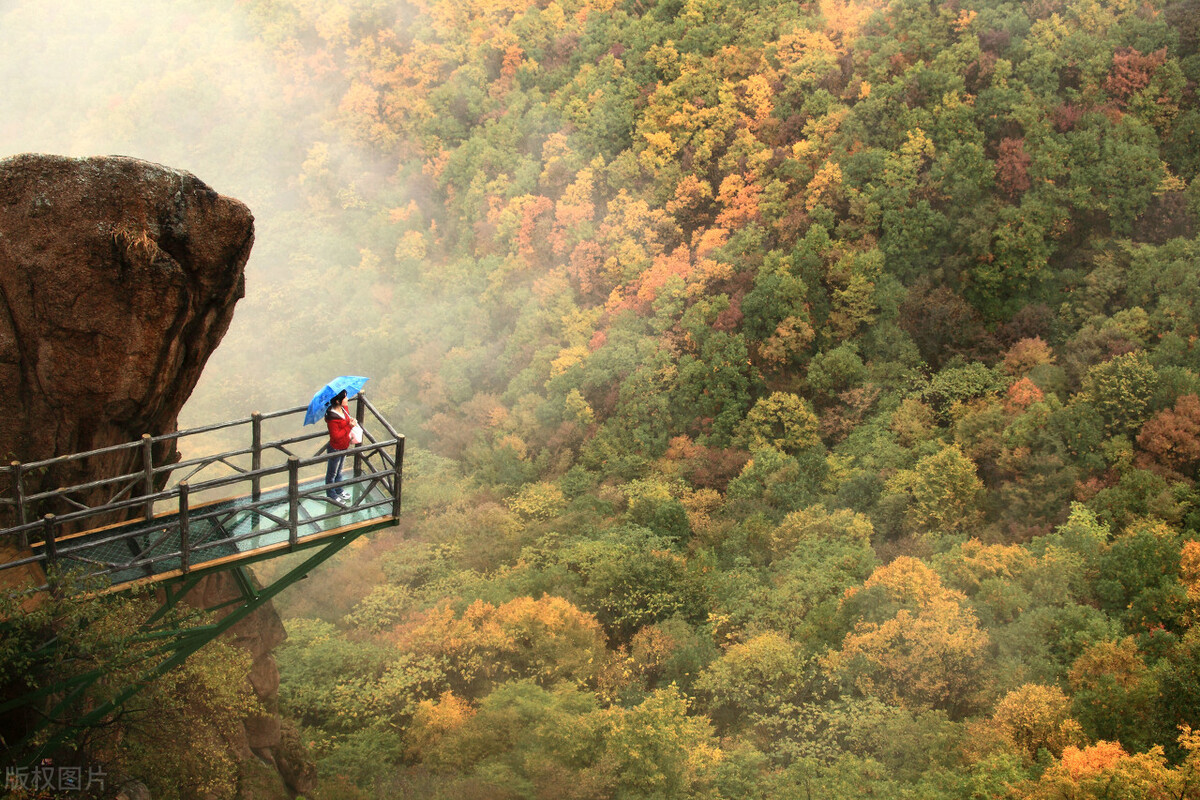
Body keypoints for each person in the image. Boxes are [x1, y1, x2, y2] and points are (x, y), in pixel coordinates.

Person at [324, 390, 354, 502]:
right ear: (337, 401)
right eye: (345, 397)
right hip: (335, 448)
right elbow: (336, 436)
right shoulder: (332, 418)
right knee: (332, 473)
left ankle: (338, 489)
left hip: (344, 445)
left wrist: (350, 422)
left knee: (339, 471)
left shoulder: (343, 409)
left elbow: (347, 420)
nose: (347, 399)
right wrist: (349, 426)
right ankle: (331, 494)